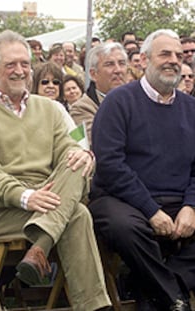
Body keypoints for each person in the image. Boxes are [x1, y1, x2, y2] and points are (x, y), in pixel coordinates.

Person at [0, 29, 111, 311]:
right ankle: (94, 306)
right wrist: (26, 196)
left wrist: (83, 154)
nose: (20, 71)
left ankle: (40, 245)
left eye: (25, 64)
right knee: (77, 213)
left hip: (49, 197)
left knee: (79, 158)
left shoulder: (50, 108)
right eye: (10, 65)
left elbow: (70, 147)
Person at [89, 29, 195, 311]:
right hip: (122, 200)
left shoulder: (191, 108)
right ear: (143, 61)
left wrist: (191, 206)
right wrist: (150, 209)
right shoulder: (118, 102)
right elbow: (110, 165)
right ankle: (174, 298)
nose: (173, 60)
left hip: (177, 200)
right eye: (165, 54)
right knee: (125, 228)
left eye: (179, 55)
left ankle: (156, 292)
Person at [69, 42, 127, 145]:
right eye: (109, 64)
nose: (118, 70)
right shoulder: (80, 109)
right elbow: (95, 144)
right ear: (93, 74)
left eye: (122, 63)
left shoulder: (139, 100)